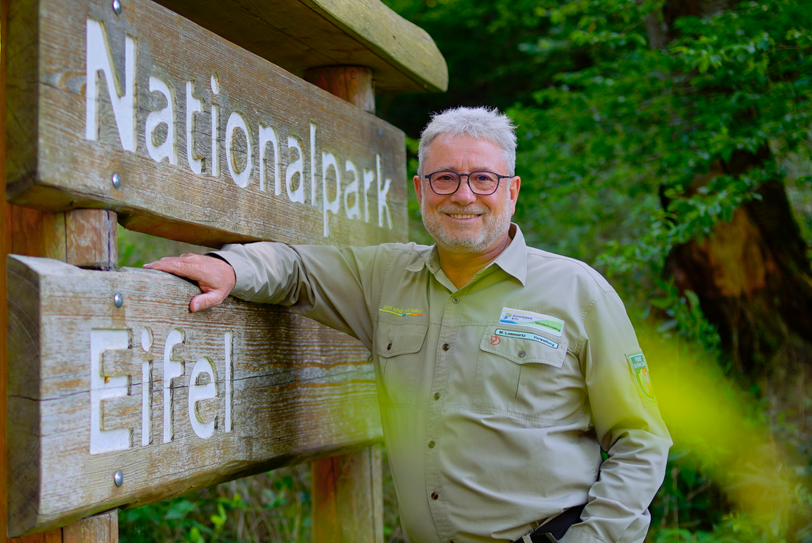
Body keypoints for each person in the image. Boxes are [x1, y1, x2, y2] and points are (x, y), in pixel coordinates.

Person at [144, 107, 671, 543]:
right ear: (421, 188)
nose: (463, 195)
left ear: (511, 191)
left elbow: (641, 438)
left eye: (483, 178)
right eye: (445, 178)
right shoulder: (385, 277)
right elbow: (298, 269)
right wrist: (232, 267)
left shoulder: (578, 290)